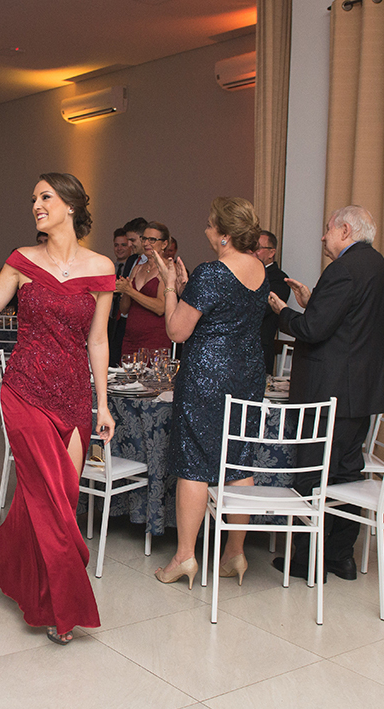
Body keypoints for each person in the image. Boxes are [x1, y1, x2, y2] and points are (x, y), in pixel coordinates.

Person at [0, 172, 115, 645]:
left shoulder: (101, 268)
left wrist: (103, 404)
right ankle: (61, 607)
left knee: (59, 500)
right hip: (25, 389)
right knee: (49, 497)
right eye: (33, 198)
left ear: (70, 205)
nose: (36, 205)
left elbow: (98, 339)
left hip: (73, 395)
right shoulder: (22, 261)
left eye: (45, 197)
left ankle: (20, 572)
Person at [268, 205, 384, 581]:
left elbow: (313, 331)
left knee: (313, 474)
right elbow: (350, 322)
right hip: (360, 390)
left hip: (328, 392)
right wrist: (313, 303)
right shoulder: (380, 268)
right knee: (346, 475)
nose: (323, 237)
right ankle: (341, 556)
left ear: (345, 229)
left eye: (327, 230)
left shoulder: (342, 269)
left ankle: (309, 560)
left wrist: (282, 310)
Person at [153, 198, 269, 586]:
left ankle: (185, 557)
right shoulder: (260, 270)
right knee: (238, 460)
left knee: (195, 463)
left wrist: (171, 286)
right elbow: (228, 312)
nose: (205, 230)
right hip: (248, 374)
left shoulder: (212, 272)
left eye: (209, 225)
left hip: (207, 376)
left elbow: (176, 331)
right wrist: (190, 291)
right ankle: (234, 554)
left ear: (224, 235)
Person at [118, 222, 175, 357]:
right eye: (144, 239)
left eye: (152, 240)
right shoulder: (137, 268)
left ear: (164, 244)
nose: (146, 243)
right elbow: (125, 309)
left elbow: (160, 307)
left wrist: (131, 291)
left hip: (154, 338)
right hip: (130, 336)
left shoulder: (168, 269)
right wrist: (125, 290)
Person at [109, 216, 148, 366]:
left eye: (132, 240)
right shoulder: (132, 260)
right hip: (124, 319)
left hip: (143, 322)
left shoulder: (155, 263)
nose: (130, 245)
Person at [255, 230, 291, 375]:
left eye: (258, 248)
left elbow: (260, 310)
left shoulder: (279, 280)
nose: (253, 252)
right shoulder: (244, 274)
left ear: (271, 253)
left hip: (260, 351)